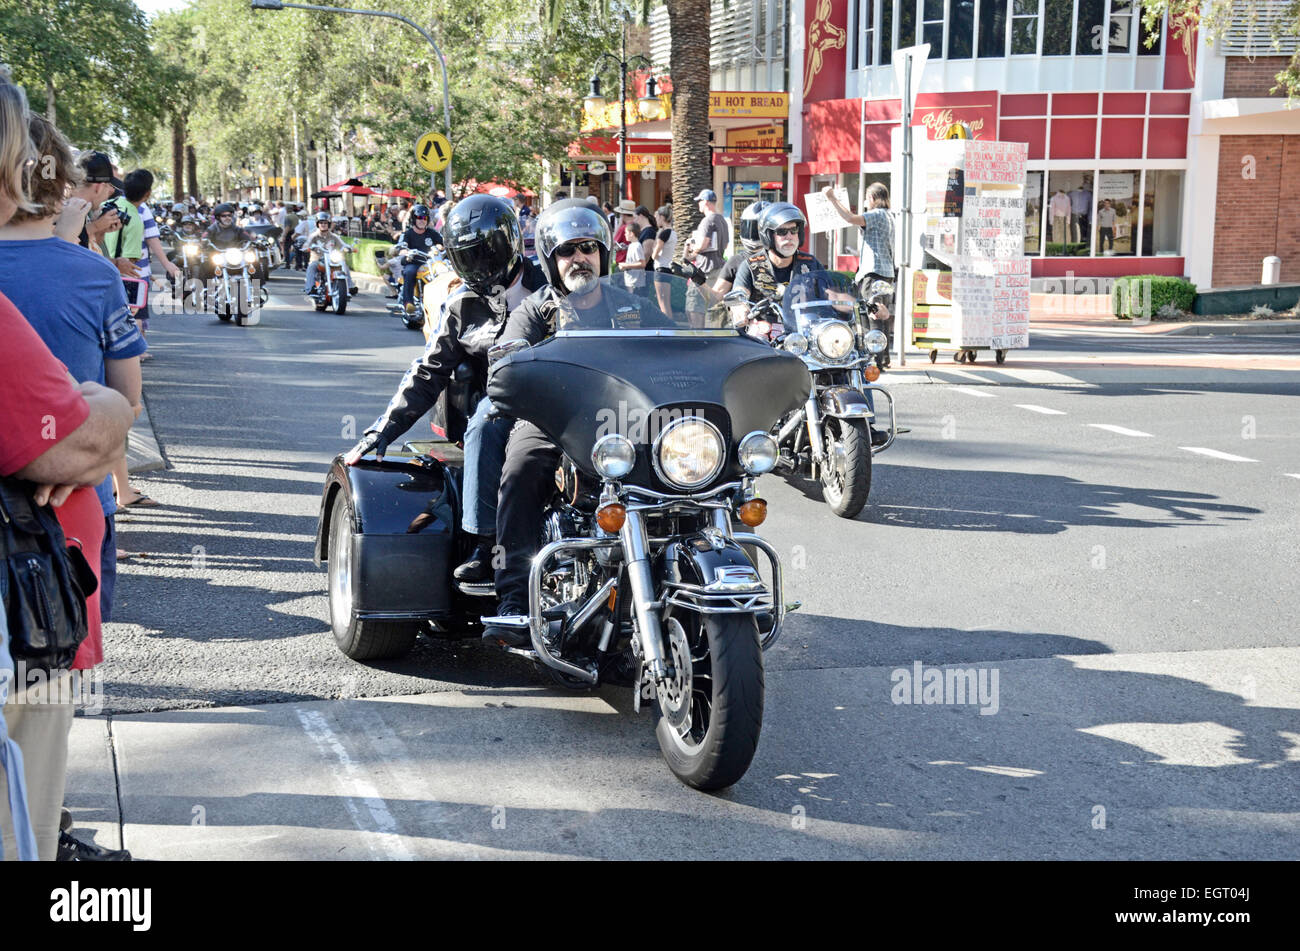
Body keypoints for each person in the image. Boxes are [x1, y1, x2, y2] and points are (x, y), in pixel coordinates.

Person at [0, 86, 137, 861]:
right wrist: (88, 408)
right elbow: (112, 415)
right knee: (30, 774)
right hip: (32, 585)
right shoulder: (90, 275)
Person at [482, 199, 669, 647]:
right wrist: (509, 358)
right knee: (522, 468)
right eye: (567, 251)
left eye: (587, 248)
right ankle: (512, 599)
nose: (578, 258)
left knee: (697, 469)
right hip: (555, 423)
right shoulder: (535, 310)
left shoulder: (631, 305)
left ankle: (717, 581)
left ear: (603, 252)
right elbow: (506, 356)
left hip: (627, 422)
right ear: (551, 259)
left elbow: (673, 344)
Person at [345, 195, 547, 584]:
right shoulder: (462, 304)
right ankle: (486, 545)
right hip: (501, 401)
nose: (480, 266)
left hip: (560, 396)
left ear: (507, 242)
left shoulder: (547, 283)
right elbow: (427, 371)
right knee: (486, 421)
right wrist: (383, 429)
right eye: (469, 257)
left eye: (486, 253)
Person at [824, 181, 896, 363]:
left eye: (866, 199)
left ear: (872, 198)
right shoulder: (889, 215)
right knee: (882, 314)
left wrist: (832, 198)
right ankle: (883, 357)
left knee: (869, 314)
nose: (865, 202)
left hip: (874, 273)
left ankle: (874, 358)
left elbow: (849, 218)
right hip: (886, 271)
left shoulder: (876, 214)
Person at [393, 204, 443, 316]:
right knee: (409, 272)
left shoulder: (432, 233)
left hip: (430, 262)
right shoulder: (407, 234)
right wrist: (404, 251)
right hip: (414, 262)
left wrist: (440, 246)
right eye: (419, 218)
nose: (422, 221)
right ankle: (408, 303)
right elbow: (401, 246)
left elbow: (442, 242)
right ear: (414, 219)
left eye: (424, 218)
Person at [301, 213, 356, 297]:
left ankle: (349, 287)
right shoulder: (313, 236)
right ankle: (310, 288)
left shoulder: (334, 237)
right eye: (321, 223)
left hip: (332, 260)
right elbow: (306, 244)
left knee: (343, 265)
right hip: (318, 260)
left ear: (329, 224)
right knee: (312, 266)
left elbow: (342, 245)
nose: (323, 225)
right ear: (317, 224)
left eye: (325, 223)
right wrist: (306, 247)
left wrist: (348, 248)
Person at [611, 198, 636, 265]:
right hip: (634, 261)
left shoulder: (624, 228)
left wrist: (619, 226)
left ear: (623, 214)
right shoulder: (637, 225)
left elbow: (613, 242)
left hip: (622, 262)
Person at [1069, 179, 1092, 244]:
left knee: (1083, 234)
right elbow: (1069, 205)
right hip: (1074, 216)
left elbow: (1091, 207)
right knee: (1074, 233)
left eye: (1085, 183)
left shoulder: (1088, 194)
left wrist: (1090, 219)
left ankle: (1082, 249)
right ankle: (1074, 248)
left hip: (1084, 217)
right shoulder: (1071, 194)